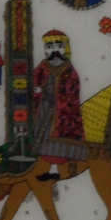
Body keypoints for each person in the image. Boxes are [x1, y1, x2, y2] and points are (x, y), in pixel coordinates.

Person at [31, 30, 88, 181]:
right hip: (44, 108)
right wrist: (35, 90)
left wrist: (47, 91)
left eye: (58, 46)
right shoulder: (43, 67)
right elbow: (32, 80)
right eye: (49, 46)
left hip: (62, 111)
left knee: (58, 141)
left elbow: (72, 90)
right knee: (41, 138)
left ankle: (59, 170)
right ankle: (43, 167)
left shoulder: (69, 70)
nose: (54, 51)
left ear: (65, 47)